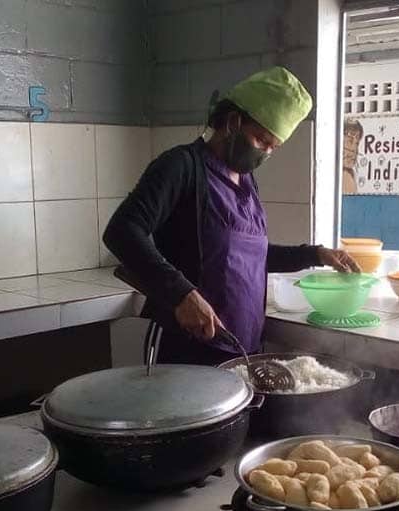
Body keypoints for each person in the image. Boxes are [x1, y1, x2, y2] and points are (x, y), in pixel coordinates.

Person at [104, 67, 359, 366]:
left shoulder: (246, 183)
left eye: (273, 147)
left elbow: (249, 258)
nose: (265, 153)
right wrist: (182, 295)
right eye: (262, 140)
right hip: (184, 353)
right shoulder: (181, 167)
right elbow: (122, 230)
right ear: (233, 121)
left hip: (240, 352)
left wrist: (317, 255)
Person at [343, 119, 364, 195]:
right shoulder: (345, 175)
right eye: (349, 141)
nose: (354, 149)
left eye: (357, 143)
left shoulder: (350, 174)